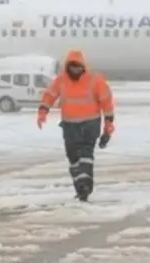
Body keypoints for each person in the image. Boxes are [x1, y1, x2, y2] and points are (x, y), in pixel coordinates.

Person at [36, 49, 115, 201]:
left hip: (90, 124)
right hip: (70, 125)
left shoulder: (95, 80)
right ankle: (80, 186)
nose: (75, 70)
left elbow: (107, 103)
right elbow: (50, 95)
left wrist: (108, 125)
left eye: (78, 67)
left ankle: (84, 187)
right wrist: (43, 111)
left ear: (83, 66)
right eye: (73, 67)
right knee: (73, 157)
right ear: (68, 67)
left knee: (85, 156)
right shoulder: (61, 81)